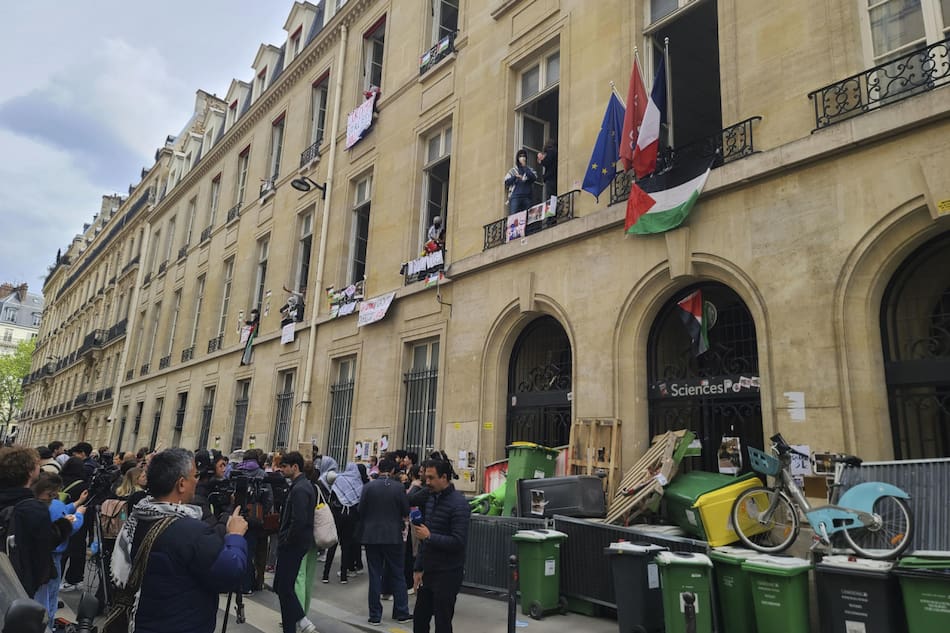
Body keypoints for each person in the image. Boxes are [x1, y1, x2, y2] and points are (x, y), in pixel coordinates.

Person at [110, 448, 248, 633]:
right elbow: (229, 573)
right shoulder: (191, 531)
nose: (197, 481)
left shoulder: (139, 516)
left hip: (143, 620)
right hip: (180, 623)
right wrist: (235, 537)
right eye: (195, 476)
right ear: (181, 484)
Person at [0, 446, 71, 597]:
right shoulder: (32, 507)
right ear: (30, 472)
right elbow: (44, 545)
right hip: (17, 581)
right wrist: (64, 525)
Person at [412, 458, 471, 633]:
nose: (427, 482)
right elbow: (423, 539)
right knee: (420, 619)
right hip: (429, 571)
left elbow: (458, 541)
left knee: (442, 622)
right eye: (426, 478)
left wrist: (430, 537)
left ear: (444, 477)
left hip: (448, 573)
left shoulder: (459, 504)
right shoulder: (431, 498)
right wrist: (418, 568)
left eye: (431, 478)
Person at [359, 457, 412, 626]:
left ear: (379, 469)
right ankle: (401, 612)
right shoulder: (398, 488)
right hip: (393, 535)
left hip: (371, 535)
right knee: (397, 573)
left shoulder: (368, 487)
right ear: (393, 470)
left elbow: (361, 510)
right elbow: (405, 510)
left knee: (375, 574)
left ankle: (375, 615)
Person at [31, 471, 87, 630]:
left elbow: (62, 511)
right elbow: (69, 528)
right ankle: (47, 627)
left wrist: (76, 503)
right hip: (52, 558)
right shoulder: (54, 505)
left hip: (36, 556)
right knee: (49, 597)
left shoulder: (32, 504)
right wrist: (79, 515)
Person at [275, 451, 317, 633]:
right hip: (295, 543)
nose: (282, 469)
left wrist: (287, 539)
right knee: (282, 587)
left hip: (293, 545)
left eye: (284, 466)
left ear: (295, 467)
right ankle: (291, 626)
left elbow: (299, 520)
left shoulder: (300, 489)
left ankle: (302, 620)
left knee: (284, 587)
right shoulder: (302, 486)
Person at [323, 462, 363, 583]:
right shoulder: (359, 483)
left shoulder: (339, 479)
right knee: (346, 546)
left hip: (337, 514)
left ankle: (325, 575)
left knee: (333, 544)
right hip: (351, 517)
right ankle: (344, 576)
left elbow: (332, 496)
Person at [58, 456, 90, 592]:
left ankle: (58, 578)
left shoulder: (59, 480)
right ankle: (75, 578)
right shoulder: (84, 485)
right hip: (77, 519)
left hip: (60, 518)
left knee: (61, 552)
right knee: (78, 549)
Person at [504, 148, 537, 215]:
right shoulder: (513, 170)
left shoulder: (529, 169)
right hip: (515, 197)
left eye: (524, 156)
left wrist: (525, 167)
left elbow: (533, 178)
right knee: (513, 216)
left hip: (527, 197)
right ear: (518, 158)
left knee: (527, 216)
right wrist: (515, 177)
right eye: (520, 156)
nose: (522, 158)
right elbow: (506, 182)